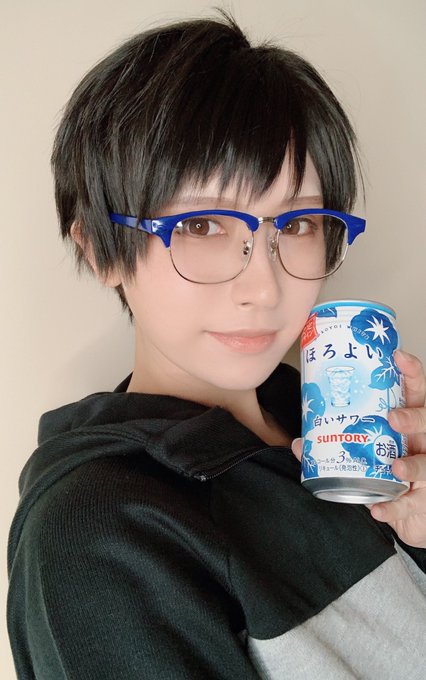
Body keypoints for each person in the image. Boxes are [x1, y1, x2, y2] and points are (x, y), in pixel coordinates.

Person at [7, 12, 426, 680]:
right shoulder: (98, 534)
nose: (263, 286)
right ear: (100, 250)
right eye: (201, 224)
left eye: (299, 223)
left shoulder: (328, 420)